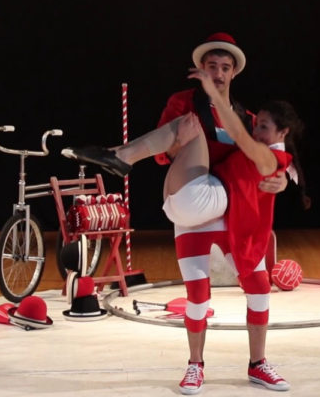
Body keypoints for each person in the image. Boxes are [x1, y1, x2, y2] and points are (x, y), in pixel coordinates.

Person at [62, 33, 305, 394]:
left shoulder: (248, 119)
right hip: (193, 193)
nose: (218, 73)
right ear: (201, 69)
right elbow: (164, 155)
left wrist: (283, 181)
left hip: (233, 210)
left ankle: (258, 364)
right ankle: (195, 365)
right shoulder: (185, 102)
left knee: (258, 287)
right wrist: (182, 142)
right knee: (197, 294)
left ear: (234, 72)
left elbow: (278, 160)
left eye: (224, 68)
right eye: (211, 66)